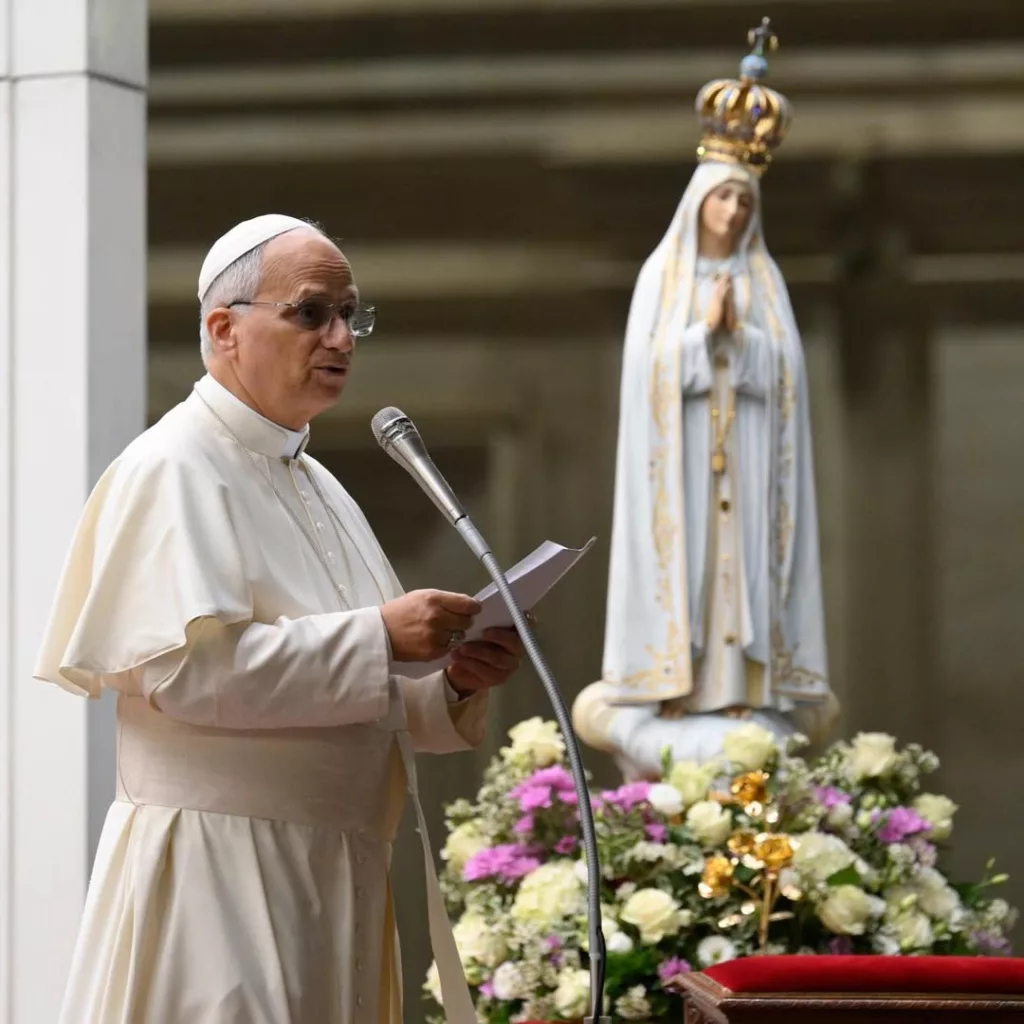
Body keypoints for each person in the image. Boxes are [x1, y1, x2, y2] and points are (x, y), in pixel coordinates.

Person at [34, 213, 522, 1023]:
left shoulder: (320, 483)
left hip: (336, 873)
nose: (341, 336)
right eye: (312, 312)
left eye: (352, 315)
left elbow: (361, 697)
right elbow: (185, 674)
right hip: (220, 872)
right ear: (225, 329)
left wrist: (450, 684)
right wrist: (378, 637)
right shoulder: (171, 466)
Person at [574, 21, 837, 779]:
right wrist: (699, 339)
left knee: (740, 572)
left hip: (747, 470)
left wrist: (743, 341)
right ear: (699, 203)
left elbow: (785, 373)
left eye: (745, 203)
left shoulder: (765, 283)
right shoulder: (664, 279)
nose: (734, 213)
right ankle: (679, 691)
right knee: (691, 569)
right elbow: (646, 375)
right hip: (683, 471)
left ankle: (744, 691)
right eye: (724, 198)